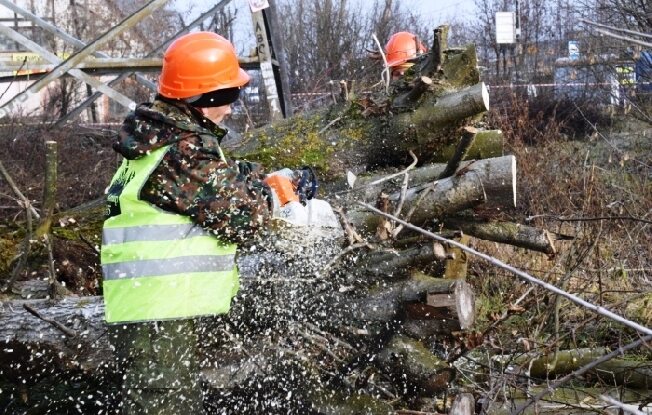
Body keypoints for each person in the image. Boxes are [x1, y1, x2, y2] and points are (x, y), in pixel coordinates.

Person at [100, 31, 273, 414]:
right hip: (158, 317)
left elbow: (211, 183)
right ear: (202, 97)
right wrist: (276, 196)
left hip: (154, 310)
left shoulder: (162, 142)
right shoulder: (180, 151)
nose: (230, 107)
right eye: (229, 96)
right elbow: (243, 218)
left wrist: (269, 178)